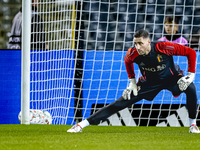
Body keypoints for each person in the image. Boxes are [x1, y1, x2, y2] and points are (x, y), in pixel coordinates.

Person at [67, 30, 199, 133]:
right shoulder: (132, 54)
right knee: (120, 102)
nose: (137, 47)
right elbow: (128, 62)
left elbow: (191, 52)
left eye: (140, 43)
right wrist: (132, 82)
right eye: (135, 43)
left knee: (191, 89)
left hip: (172, 78)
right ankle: (81, 125)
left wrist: (191, 75)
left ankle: (192, 124)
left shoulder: (163, 47)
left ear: (148, 42)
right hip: (149, 82)